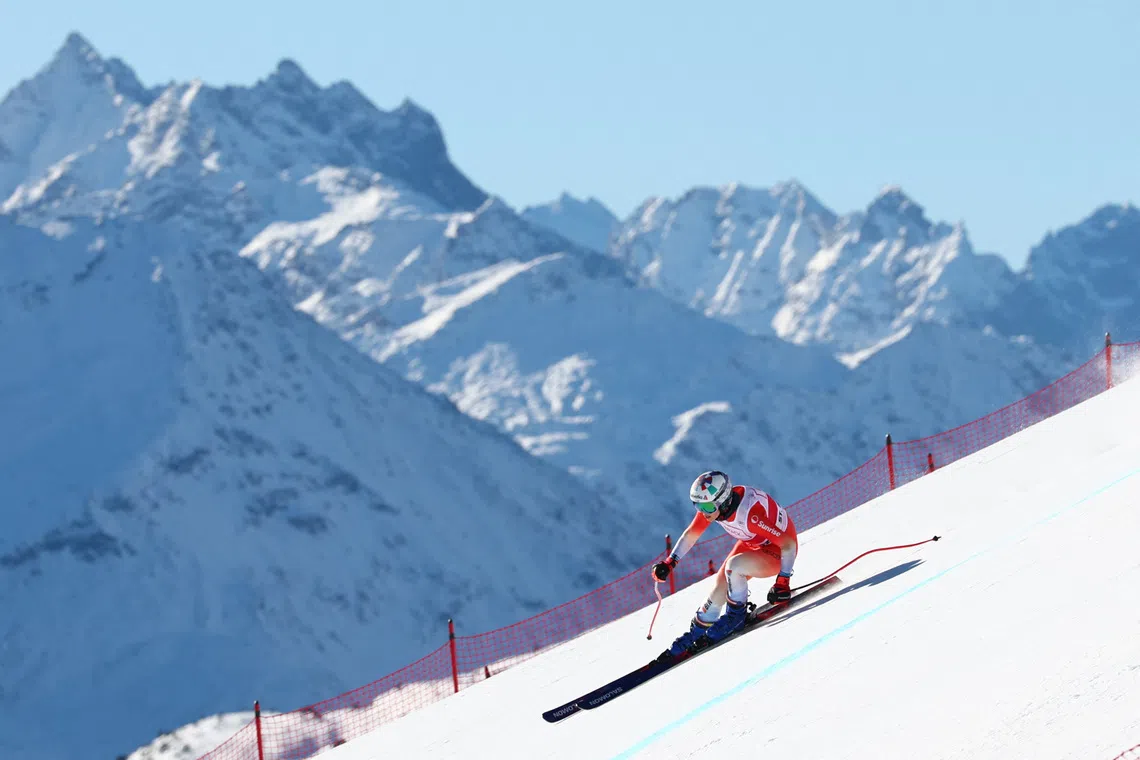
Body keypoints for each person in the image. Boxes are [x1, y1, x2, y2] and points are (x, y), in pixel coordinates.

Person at [651, 470, 798, 656]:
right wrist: (670, 562)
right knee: (718, 589)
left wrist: (783, 582)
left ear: (723, 501)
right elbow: (691, 534)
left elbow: (789, 544)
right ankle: (697, 630)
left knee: (734, 567)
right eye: (698, 506)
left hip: (778, 551)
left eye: (707, 507)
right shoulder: (715, 508)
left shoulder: (750, 515)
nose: (703, 513)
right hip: (752, 542)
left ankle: (736, 616)